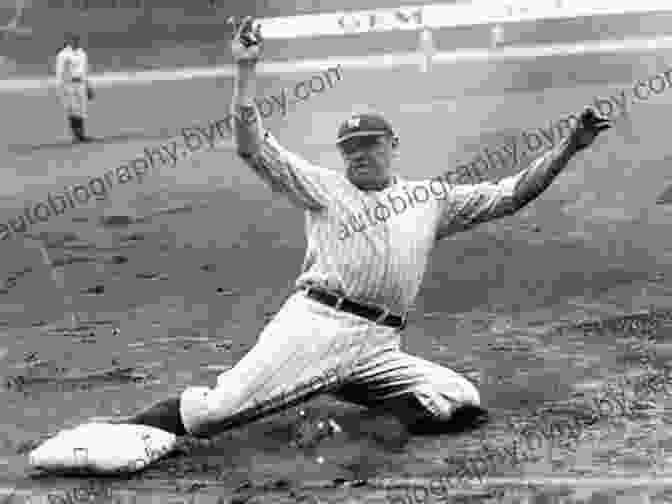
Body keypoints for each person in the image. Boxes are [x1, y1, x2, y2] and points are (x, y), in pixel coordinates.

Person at [103, 17, 612, 447]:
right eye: (351, 148)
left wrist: (569, 147)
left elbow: (510, 194)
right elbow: (253, 147)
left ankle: (361, 416)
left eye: (370, 144)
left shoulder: (429, 200)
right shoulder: (322, 188)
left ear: (393, 144)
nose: (360, 154)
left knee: (458, 396)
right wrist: (245, 70)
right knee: (217, 412)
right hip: (316, 326)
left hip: (378, 345)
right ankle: (118, 435)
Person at [55, 33, 93, 143]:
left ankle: (81, 135)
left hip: (81, 84)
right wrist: (60, 89)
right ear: (68, 41)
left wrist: (88, 86)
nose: (75, 41)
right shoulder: (63, 55)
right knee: (72, 110)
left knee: (82, 110)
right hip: (69, 85)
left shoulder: (82, 53)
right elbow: (59, 72)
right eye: (73, 40)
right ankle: (76, 135)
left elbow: (85, 71)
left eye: (77, 39)